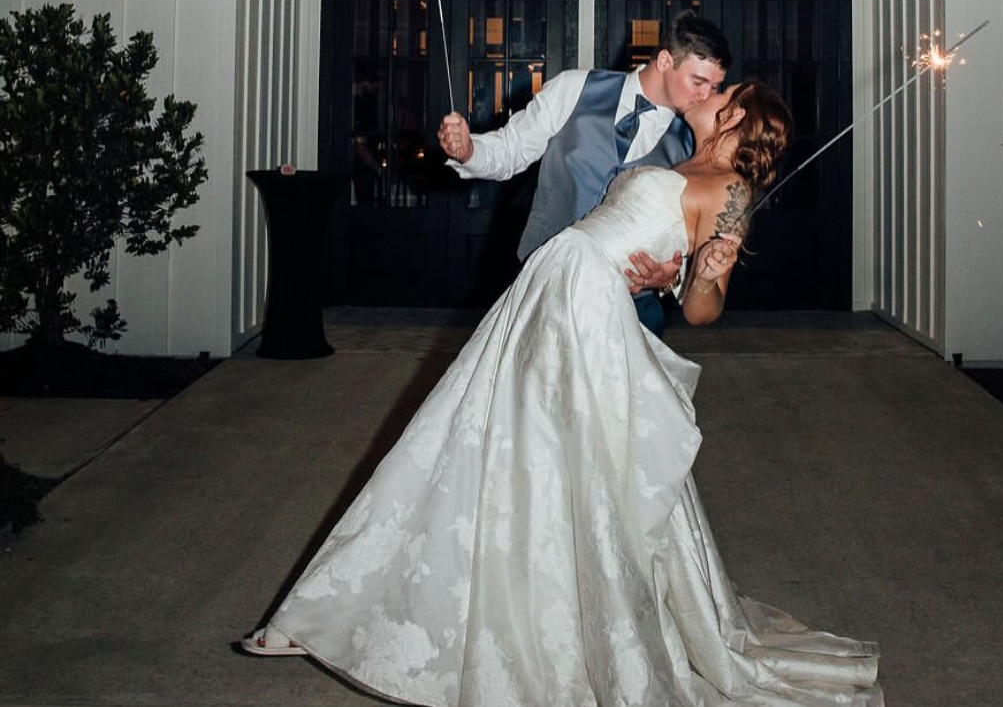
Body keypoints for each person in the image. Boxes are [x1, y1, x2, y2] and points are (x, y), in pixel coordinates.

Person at [241, 82, 884, 707]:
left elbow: (701, 309)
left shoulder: (732, 190)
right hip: (549, 286)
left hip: (587, 308)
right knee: (467, 433)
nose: (709, 92)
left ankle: (385, 618)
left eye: (723, 91)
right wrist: (661, 273)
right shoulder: (678, 160)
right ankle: (333, 606)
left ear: (738, 117)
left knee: (548, 461)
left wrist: (706, 277)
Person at [437, 10, 731, 337]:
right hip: (545, 291)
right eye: (698, 82)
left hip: (631, 315)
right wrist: (468, 151)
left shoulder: (691, 145)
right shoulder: (575, 87)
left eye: (715, 86)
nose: (706, 96)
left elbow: (688, 240)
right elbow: (511, 150)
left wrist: (670, 278)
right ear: (664, 61)